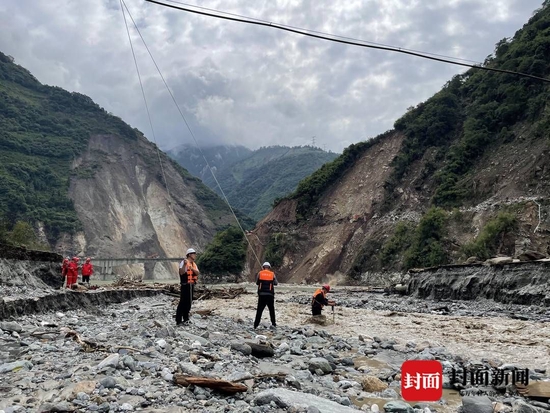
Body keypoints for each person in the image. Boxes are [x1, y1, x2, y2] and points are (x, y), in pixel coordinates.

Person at [176, 248, 200, 326]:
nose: (195, 255)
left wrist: (191, 268)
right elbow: (181, 272)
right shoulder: (183, 262)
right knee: (182, 302)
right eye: (194, 254)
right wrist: (186, 265)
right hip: (185, 285)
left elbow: (197, 273)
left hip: (191, 285)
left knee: (189, 302)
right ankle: (178, 320)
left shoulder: (193, 264)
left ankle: (186, 318)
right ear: (189, 255)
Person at [254, 262, 278, 329]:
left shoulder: (260, 273)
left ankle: (256, 325)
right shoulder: (272, 274)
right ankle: (274, 324)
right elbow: (276, 283)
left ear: (263, 267)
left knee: (259, 310)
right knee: (271, 310)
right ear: (269, 267)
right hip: (270, 295)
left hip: (261, 295)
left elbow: (257, 283)